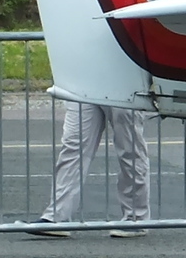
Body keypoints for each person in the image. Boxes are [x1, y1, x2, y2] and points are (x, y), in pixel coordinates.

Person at [31, 102, 152, 238]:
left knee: (129, 148)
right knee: (73, 145)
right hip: (84, 86)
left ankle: (136, 218)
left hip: (122, 86)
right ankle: (58, 216)